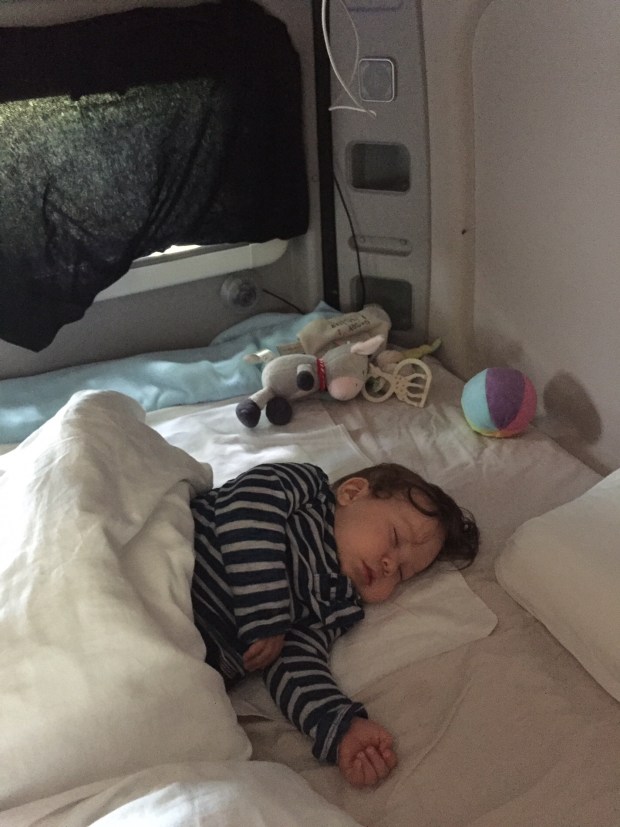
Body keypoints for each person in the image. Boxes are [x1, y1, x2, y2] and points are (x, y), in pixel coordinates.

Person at [190, 461, 479, 788]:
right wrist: (267, 611)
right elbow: (246, 508)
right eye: (395, 538)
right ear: (352, 493)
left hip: (184, 650)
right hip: (176, 569)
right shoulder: (305, 488)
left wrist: (341, 727)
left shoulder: (337, 606)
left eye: (402, 573)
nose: (390, 564)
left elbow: (294, 663)